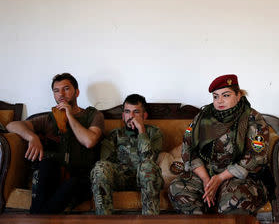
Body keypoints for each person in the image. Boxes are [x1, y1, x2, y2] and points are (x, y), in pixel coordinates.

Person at [169, 74, 269, 215]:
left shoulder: (252, 118)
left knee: (235, 199)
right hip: (206, 174)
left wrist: (220, 178)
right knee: (178, 188)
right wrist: (205, 179)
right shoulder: (203, 116)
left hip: (238, 177)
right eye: (215, 96)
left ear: (238, 95)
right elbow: (188, 148)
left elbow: (256, 157)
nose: (219, 101)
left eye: (226, 95)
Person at [6, 73, 104, 214]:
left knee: (72, 184)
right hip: (56, 176)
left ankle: (36, 217)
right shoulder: (49, 118)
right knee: (46, 164)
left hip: (82, 178)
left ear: (77, 92)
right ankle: (38, 216)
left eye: (66, 89)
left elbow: (89, 141)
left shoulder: (93, 115)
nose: (61, 94)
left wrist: (69, 115)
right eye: (56, 91)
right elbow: (12, 125)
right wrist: (32, 137)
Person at [90, 94, 163, 215]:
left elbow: (148, 159)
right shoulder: (115, 134)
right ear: (123, 115)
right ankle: (104, 220)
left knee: (147, 167)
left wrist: (141, 131)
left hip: (146, 178)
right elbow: (105, 162)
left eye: (136, 112)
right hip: (121, 178)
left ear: (144, 115)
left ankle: (150, 220)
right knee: (100, 168)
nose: (131, 116)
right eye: (128, 112)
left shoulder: (154, 132)